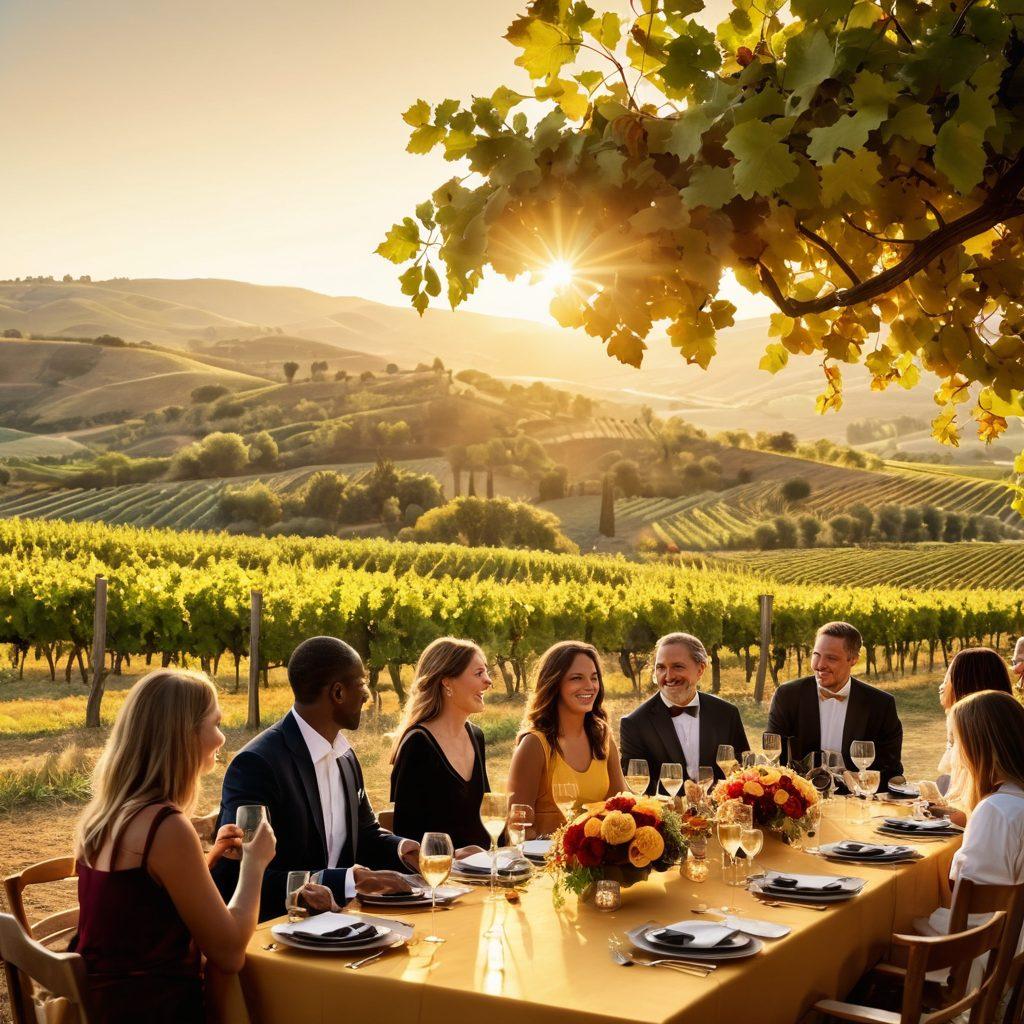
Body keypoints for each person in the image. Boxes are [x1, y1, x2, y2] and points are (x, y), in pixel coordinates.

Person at [71, 670, 277, 1023]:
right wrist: (254, 866)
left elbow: (138, 904)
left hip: (102, 1007)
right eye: (215, 723)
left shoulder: (108, 814)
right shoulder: (166, 827)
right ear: (184, 735)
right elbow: (229, 953)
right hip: (155, 1011)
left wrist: (204, 862)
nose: (222, 737)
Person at [212, 636, 420, 921]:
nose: (367, 694)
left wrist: (404, 849)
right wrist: (348, 880)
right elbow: (239, 873)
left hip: (337, 924)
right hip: (278, 929)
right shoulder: (257, 765)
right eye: (361, 684)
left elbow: (366, 834)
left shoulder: (346, 756)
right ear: (338, 693)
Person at [920, 691, 1024, 984]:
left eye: (955, 743)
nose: (951, 757)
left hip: (980, 968)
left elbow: (974, 920)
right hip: (1012, 955)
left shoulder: (996, 812)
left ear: (978, 748)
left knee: (866, 947)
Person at [507, 641, 627, 837]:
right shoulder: (534, 745)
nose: (589, 686)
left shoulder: (602, 737)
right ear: (555, 684)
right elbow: (517, 827)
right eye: (576, 678)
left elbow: (622, 805)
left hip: (598, 862)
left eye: (594, 678)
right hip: (545, 863)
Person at [767, 621, 904, 788]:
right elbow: (773, 760)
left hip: (857, 803)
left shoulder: (881, 705)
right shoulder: (787, 696)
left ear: (853, 659)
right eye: (816, 654)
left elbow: (891, 770)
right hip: (799, 801)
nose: (819, 665)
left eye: (831, 658)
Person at [389, 637, 492, 849]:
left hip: (483, 872)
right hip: (438, 878)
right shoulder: (418, 744)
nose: (488, 681)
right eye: (479, 673)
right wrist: (454, 859)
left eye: (486, 672)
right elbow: (407, 837)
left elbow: (486, 817)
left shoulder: (476, 736)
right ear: (447, 682)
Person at [618, 632, 750, 793]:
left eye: (677, 666)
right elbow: (637, 789)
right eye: (661, 667)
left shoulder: (727, 714)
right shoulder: (635, 724)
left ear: (700, 669)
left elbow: (744, 772)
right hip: (667, 816)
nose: (668, 676)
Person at [934, 647, 1014, 825]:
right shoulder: (1008, 726)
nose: (941, 686)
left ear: (966, 683)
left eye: (947, 679)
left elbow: (975, 813)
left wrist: (930, 811)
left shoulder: (981, 740)